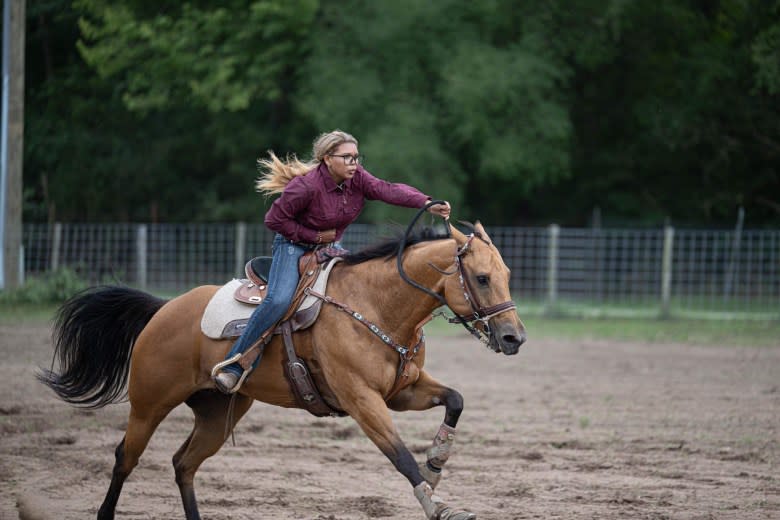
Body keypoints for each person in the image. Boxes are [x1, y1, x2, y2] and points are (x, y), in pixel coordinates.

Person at [213, 130, 451, 393]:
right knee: (279, 300)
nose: (354, 163)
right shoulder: (305, 186)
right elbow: (274, 220)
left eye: (356, 157)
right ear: (327, 159)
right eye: (346, 157)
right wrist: (311, 235)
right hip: (292, 246)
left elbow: (387, 190)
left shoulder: (358, 178)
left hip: (330, 247)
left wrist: (425, 202)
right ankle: (234, 365)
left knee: (359, 288)